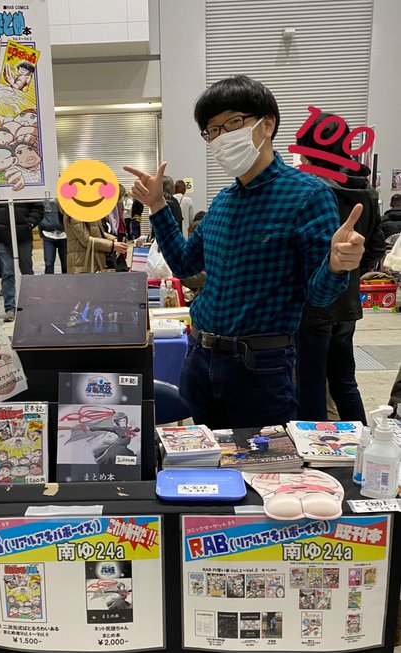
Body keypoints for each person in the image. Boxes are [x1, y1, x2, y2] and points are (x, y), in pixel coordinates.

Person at [125, 75, 365, 429]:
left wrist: (336, 265)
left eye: (233, 123)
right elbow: (185, 263)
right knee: (202, 457)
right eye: (212, 130)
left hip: (260, 366)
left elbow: (318, 296)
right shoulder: (223, 201)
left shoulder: (307, 195)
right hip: (199, 357)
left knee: (261, 459)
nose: (222, 137)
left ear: (267, 124)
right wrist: (158, 206)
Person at [295, 112, 386, 423]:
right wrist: (351, 271)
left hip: (312, 304)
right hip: (347, 303)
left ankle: (314, 448)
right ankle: (362, 441)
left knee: (310, 386)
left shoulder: (309, 190)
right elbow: (376, 246)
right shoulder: (367, 190)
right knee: (344, 382)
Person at [0, 202, 44, 321]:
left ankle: (30, 304)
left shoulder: (25, 190)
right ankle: (10, 308)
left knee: (27, 273)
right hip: (3, 237)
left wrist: (30, 223)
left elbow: (38, 207)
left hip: (23, 236)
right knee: (7, 273)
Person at [62, 209, 127, 274]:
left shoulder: (87, 210)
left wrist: (113, 239)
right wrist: (112, 245)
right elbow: (86, 240)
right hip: (81, 263)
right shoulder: (74, 214)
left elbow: (98, 232)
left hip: (91, 260)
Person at [38, 199, 67, 274]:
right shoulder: (43, 200)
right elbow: (39, 216)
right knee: (49, 263)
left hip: (64, 235)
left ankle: (67, 281)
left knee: (66, 264)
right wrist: (41, 233)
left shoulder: (65, 199)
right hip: (47, 235)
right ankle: (48, 281)